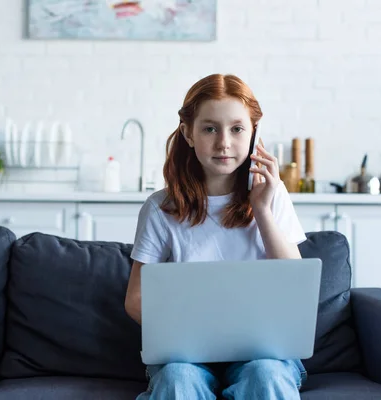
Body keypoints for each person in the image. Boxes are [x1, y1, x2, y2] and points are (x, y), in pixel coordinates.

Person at [124, 73, 308, 400]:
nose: (224, 142)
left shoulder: (273, 196)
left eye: (237, 129)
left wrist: (262, 209)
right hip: (186, 355)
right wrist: (184, 332)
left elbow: (295, 287)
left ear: (254, 134)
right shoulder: (159, 208)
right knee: (179, 379)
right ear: (188, 134)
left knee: (265, 375)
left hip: (262, 353)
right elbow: (135, 300)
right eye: (210, 128)